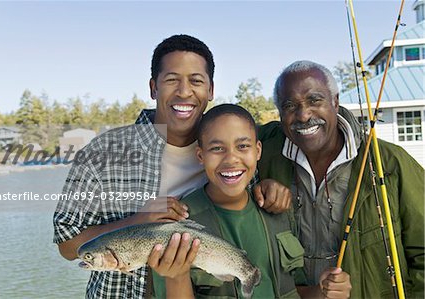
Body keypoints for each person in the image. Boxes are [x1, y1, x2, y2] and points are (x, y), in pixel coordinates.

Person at [53, 34, 215, 298]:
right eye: (172, 80)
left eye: (196, 81)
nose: (184, 91)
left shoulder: (230, 152)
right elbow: (67, 246)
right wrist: (138, 221)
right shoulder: (102, 153)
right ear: (153, 88)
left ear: (210, 89)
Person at [257, 60, 424, 298]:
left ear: (335, 101)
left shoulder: (389, 162)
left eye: (315, 100)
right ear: (280, 114)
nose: (303, 115)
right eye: (290, 105)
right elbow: (216, 139)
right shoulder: (263, 153)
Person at [149, 104, 352, 299]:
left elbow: (294, 291)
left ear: (258, 151)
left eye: (243, 146)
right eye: (217, 148)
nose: (231, 159)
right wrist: (176, 277)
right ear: (201, 156)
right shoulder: (178, 223)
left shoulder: (278, 210)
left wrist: (323, 292)